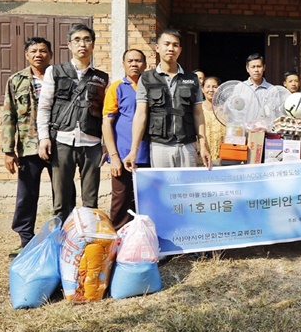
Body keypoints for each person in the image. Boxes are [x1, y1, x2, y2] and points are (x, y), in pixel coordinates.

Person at [37, 24, 109, 222]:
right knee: (61, 200)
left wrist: (105, 144)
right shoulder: (55, 71)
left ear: (93, 44)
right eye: (77, 40)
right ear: (69, 45)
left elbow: (105, 113)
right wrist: (44, 138)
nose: (82, 44)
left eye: (87, 39)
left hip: (92, 143)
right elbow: (44, 106)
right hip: (62, 141)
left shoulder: (102, 78)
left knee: (90, 199)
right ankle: (60, 241)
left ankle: (87, 242)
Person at [123, 29, 211, 171]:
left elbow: (198, 114)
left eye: (175, 45)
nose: (171, 48)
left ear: (180, 50)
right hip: (160, 146)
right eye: (167, 44)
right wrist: (134, 151)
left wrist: (203, 146)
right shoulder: (146, 78)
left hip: (187, 146)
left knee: (186, 190)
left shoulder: (191, 79)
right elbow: (141, 115)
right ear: (157, 48)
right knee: (163, 190)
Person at [2, 38, 54, 257]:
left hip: (56, 145)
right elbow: (9, 116)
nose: (38, 55)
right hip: (28, 147)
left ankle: (65, 235)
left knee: (63, 193)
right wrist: (8, 150)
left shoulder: (59, 78)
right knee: (26, 194)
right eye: (33, 51)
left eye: (43, 51)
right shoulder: (16, 81)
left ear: (50, 54)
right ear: (26, 55)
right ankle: (26, 239)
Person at [102, 49, 150, 230]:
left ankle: (142, 240)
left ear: (145, 64)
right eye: (130, 61)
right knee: (120, 200)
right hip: (122, 154)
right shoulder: (117, 87)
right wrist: (113, 156)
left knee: (145, 201)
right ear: (123, 64)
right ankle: (118, 241)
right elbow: (106, 123)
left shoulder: (151, 86)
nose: (134, 64)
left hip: (147, 154)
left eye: (138, 61)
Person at [202, 76, 226, 165]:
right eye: (208, 87)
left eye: (214, 87)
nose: (211, 90)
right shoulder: (198, 110)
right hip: (201, 158)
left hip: (221, 159)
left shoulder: (224, 111)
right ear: (202, 89)